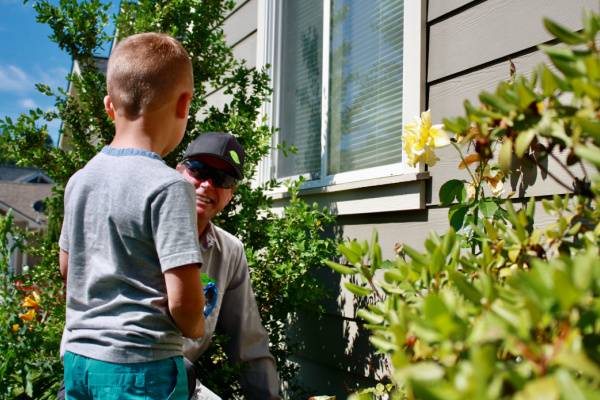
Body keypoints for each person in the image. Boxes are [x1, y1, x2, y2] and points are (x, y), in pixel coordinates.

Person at [58, 32, 205, 399]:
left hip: (80, 360)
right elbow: (183, 302)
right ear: (184, 104)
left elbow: (67, 267)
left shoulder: (79, 181)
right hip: (141, 367)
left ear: (110, 106)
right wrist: (197, 325)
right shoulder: (169, 186)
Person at [177, 132, 281, 400]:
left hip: (179, 381)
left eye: (222, 179)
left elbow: (249, 343)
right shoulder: (144, 229)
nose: (208, 184)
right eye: (199, 171)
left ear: (230, 194)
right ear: (178, 172)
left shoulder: (230, 251)